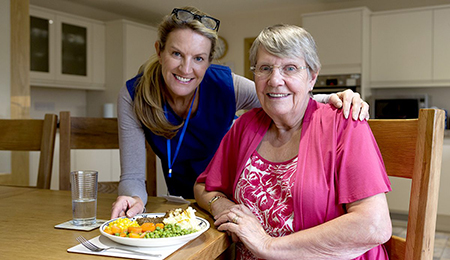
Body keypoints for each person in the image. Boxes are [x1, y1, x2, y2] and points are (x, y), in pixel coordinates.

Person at [111, 7, 370, 219]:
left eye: (199, 58)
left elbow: (278, 96)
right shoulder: (135, 94)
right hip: (187, 202)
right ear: (159, 50)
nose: (186, 68)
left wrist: (336, 97)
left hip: (228, 198)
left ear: (209, 62)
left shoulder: (226, 86)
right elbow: (133, 176)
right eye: (176, 53)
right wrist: (133, 199)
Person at [194, 24, 391, 259]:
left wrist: (267, 246)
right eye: (265, 68)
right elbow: (204, 187)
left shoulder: (344, 124)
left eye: (290, 68)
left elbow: (374, 225)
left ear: (312, 76)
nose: (275, 80)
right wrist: (220, 204)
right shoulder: (245, 126)